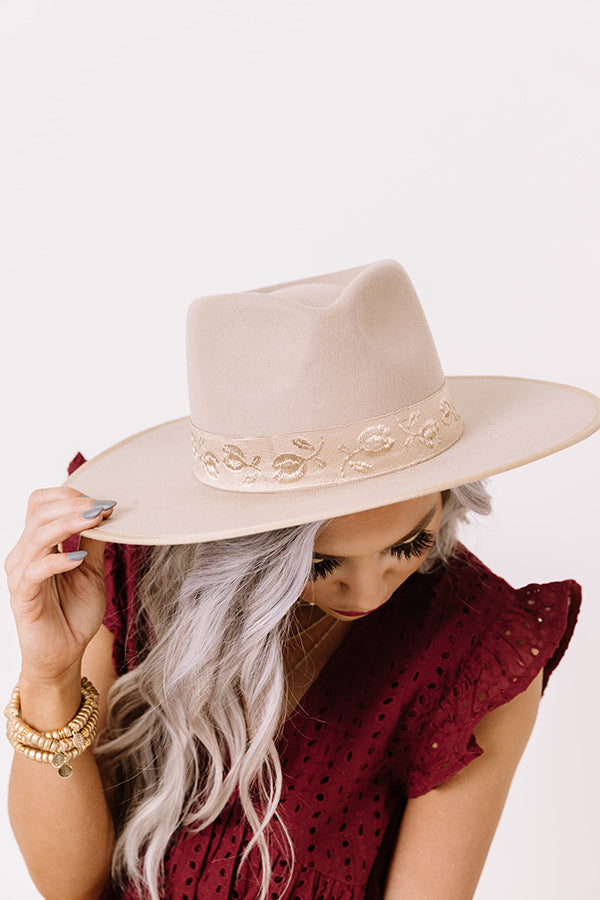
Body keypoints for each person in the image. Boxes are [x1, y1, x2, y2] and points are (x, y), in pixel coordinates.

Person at [5, 259, 599, 900]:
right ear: (241, 544)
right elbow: (71, 885)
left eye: (409, 544)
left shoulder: (478, 654)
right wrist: (50, 676)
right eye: (319, 565)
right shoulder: (135, 569)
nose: (369, 594)